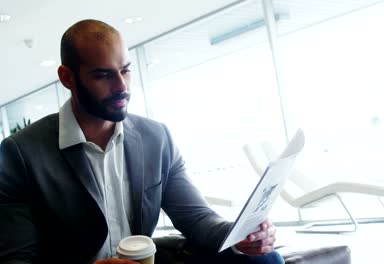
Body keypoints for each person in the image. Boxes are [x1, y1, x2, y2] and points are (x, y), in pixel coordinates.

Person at [0, 19, 283, 264]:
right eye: (103, 75)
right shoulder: (21, 153)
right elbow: (16, 259)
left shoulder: (156, 138)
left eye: (125, 70)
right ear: (67, 78)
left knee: (264, 258)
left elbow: (197, 218)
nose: (121, 86)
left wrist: (242, 236)